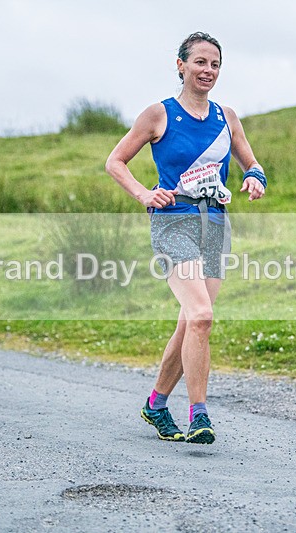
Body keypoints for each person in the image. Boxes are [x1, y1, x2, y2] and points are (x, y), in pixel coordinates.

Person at [105, 31, 267, 444]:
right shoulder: (159, 114)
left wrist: (255, 177)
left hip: (215, 225)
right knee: (201, 316)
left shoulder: (227, 117)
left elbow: (252, 162)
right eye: (200, 62)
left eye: (215, 64)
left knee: (191, 323)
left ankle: (156, 405)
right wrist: (143, 194)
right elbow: (115, 161)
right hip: (174, 222)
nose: (208, 70)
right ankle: (199, 415)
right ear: (181, 65)